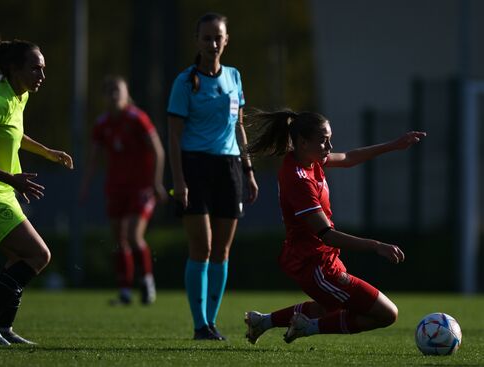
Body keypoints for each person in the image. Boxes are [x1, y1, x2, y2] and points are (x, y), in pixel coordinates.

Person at [242, 110, 426, 344]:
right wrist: (376, 245)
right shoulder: (299, 180)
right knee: (387, 313)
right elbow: (327, 235)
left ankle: (263, 321)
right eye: (324, 139)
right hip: (316, 265)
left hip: (318, 259)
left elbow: (348, 157)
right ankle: (307, 329)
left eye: (329, 138)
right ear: (302, 142)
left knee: (325, 308)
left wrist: (394, 145)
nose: (329, 145)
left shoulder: (309, 159)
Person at [0, 39, 74, 345]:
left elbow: (13, 134)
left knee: (18, 258)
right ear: (13, 68)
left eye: (43, 69)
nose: (42, 75)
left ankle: (4, 327)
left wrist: (46, 152)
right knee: (39, 254)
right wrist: (13, 179)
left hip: (1, 191)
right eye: (35, 68)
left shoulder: (17, 96)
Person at [167, 13, 259, 340]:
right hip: (195, 168)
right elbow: (174, 136)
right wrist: (178, 181)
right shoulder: (184, 82)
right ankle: (198, 325)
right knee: (201, 247)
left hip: (230, 167)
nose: (213, 43)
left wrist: (248, 171)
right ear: (197, 41)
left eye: (218, 37)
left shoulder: (234, 77)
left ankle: (211, 322)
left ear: (226, 39)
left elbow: (239, 126)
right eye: (206, 38)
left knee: (222, 250)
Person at [81, 75, 166, 305]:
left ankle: (147, 283)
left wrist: (156, 183)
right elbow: (93, 159)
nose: (113, 95)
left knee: (133, 235)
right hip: (116, 188)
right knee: (119, 239)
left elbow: (158, 150)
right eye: (109, 91)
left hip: (141, 189)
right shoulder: (102, 124)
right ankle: (125, 292)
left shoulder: (137, 118)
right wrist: (85, 186)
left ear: (127, 94)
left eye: (117, 90)